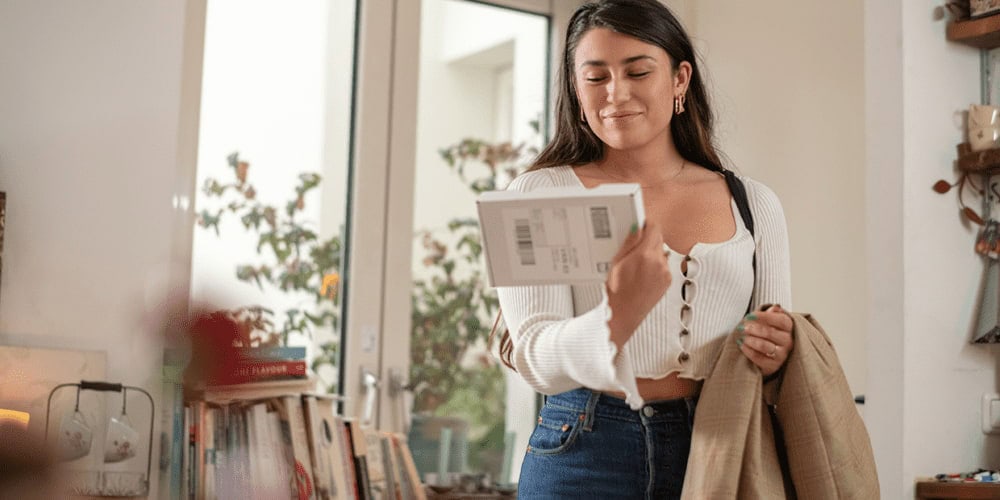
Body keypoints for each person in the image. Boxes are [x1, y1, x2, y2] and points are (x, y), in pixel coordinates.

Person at [492, 0, 794, 497]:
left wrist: (776, 350)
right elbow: (533, 361)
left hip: (718, 448)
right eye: (595, 77)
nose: (616, 94)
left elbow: (768, 356)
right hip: (581, 451)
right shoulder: (538, 194)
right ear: (575, 87)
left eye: (637, 71)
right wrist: (617, 315)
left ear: (680, 79)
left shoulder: (755, 204)